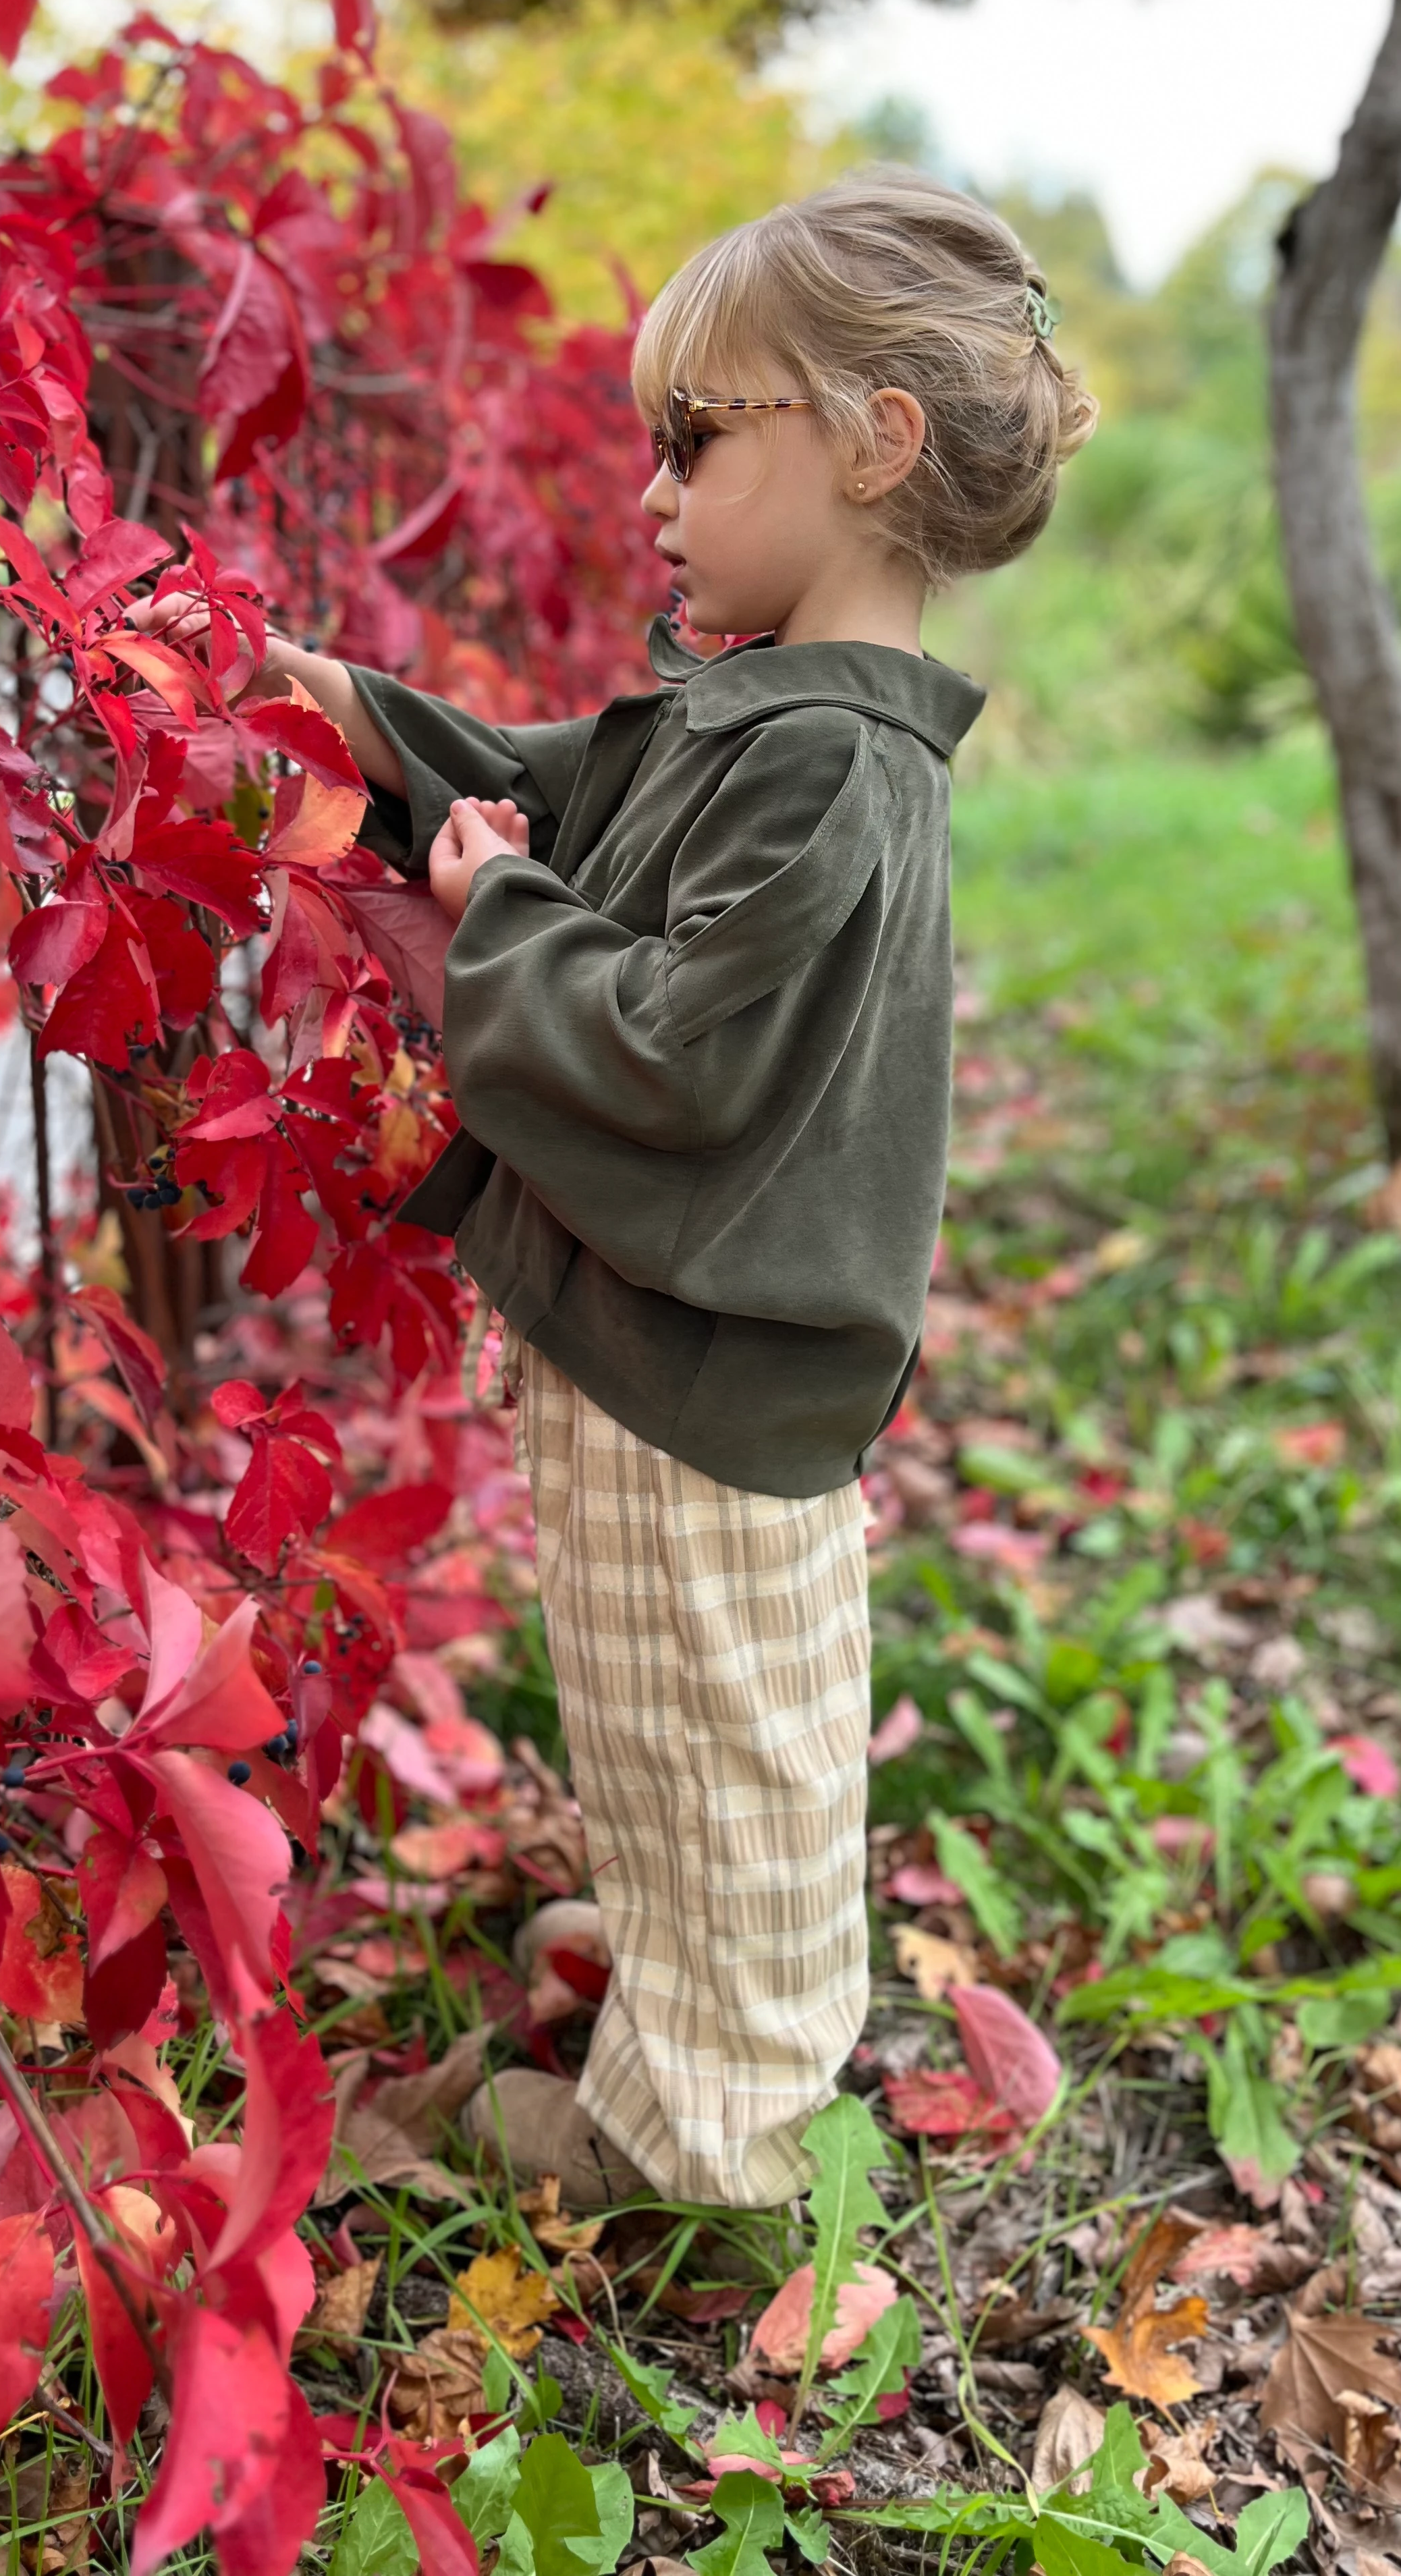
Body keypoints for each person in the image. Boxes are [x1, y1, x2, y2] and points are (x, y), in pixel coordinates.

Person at [137, 171, 1096, 2212]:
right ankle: (686, 1995)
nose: (651, 493)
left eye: (694, 438)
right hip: (669, 1351)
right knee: (673, 1743)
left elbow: (669, 1046)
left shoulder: (832, 769)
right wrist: (323, 704)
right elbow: (527, 771)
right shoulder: (753, 722)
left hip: (705, 1375)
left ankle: (717, 2170)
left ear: (871, 443)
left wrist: (501, 911)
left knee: (727, 1759)